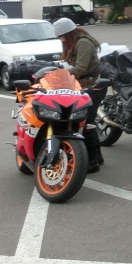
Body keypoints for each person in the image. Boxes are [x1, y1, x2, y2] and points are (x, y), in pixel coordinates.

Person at [53, 17, 105, 173]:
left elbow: (81, 68)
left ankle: (92, 163)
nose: (61, 40)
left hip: (94, 86)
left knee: (86, 123)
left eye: (61, 36)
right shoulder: (75, 42)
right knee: (86, 122)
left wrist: (60, 74)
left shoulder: (83, 43)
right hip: (84, 86)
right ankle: (97, 157)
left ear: (68, 33)